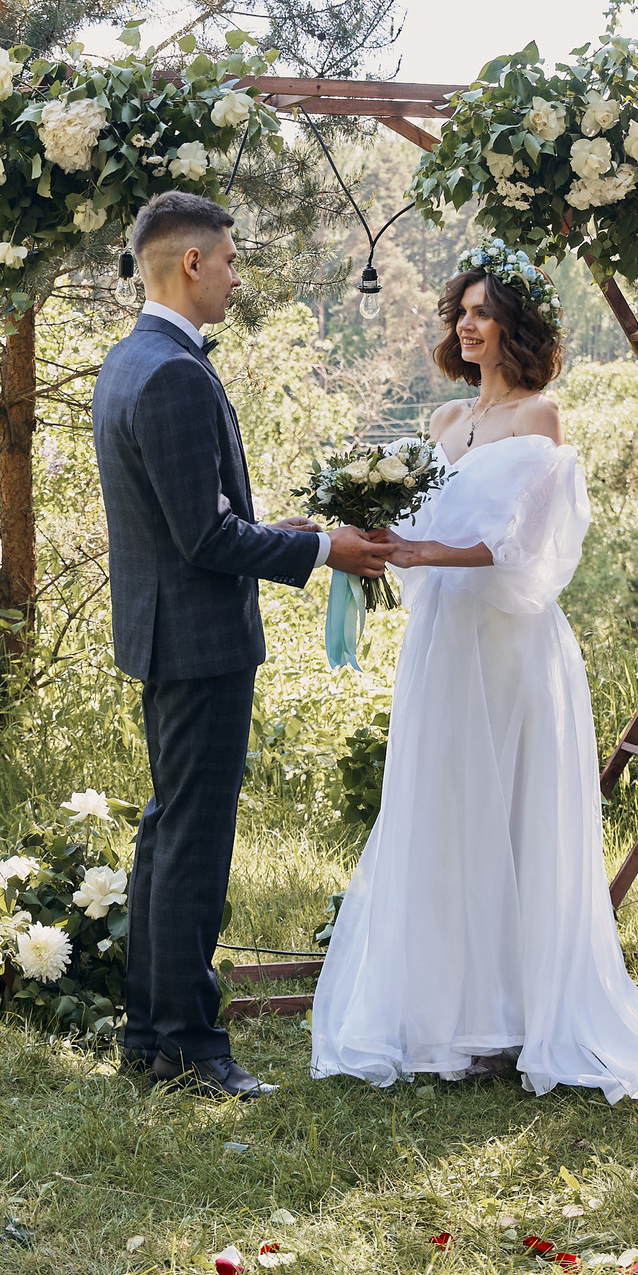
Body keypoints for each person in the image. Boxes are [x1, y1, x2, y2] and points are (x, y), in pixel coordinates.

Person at [309, 240, 638, 1102]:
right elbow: (410, 522)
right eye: (461, 311)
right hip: (443, 637)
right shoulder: (443, 423)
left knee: (510, 804)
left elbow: (523, 544)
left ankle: (519, 1014)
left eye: (482, 312)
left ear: (514, 326)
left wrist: (426, 549)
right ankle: (449, 1012)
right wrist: (355, 532)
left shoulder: (539, 418)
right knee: (443, 800)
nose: (466, 324)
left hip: (510, 641)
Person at [92, 191, 390, 1099]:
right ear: (189, 264)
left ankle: (151, 1035)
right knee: (192, 843)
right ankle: (188, 1046)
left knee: (167, 832)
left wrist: (274, 524)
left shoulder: (130, 359)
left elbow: (198, 516)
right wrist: (318, 547)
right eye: (227, 260)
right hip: (198, 640)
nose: (233, 275)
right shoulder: (175, 371)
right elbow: (205, 542)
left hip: (168, 633)